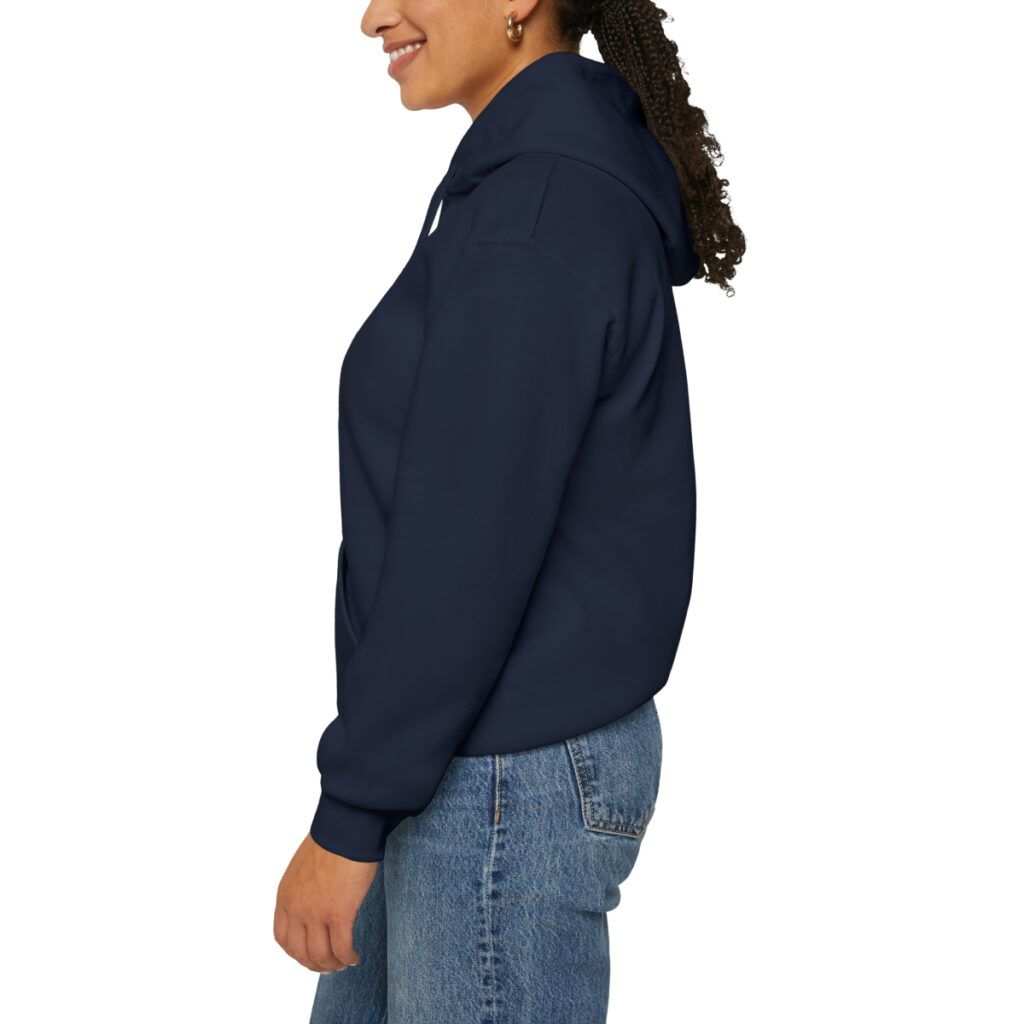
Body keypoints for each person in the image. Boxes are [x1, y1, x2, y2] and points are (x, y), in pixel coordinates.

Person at [275, 1, 744, 1020]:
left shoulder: (540, 210)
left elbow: (465, 547)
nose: (374, 15)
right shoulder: (525, 189)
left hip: (500, 777)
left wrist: (349, 813)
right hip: (453, 754)